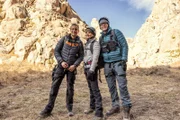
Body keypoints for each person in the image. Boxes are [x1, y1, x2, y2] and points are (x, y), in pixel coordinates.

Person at [40, 23, 84, 117]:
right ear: (70, 29)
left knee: (70, 88)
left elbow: (81, 56)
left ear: (78, 31)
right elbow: (56, 51)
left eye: (76, 29)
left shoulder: (79, 43)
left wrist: (75, 65)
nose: (74, 31)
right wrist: (61, 62)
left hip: (71, 69)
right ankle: (48, 109)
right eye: (72, 29)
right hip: (61, 67)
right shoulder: (64, 39)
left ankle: (69, 108)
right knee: (54, 87)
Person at [98, 17, 132, 120]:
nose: (103, 25)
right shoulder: (101, 38)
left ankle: (126, 108)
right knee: (111, 87)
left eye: (105, 23)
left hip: (118, 63)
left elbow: (124, 45)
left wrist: (124, 59)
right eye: (101, 24)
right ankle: (115, 106)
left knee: (122, 86)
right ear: (100, 26)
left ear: (108, 24)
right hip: (107, 65)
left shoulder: (116, 32)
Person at [83, 27, 104, 120]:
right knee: (90, 88)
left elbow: (95, 57)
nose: (88, 34)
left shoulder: (95, 43)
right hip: (86, 68)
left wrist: (92, 70)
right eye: (86, 32)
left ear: (93, 34)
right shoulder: (87, 43)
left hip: (92, 69)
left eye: (90, 32)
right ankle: (92, 107)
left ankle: (99, 112)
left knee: (95, 89)